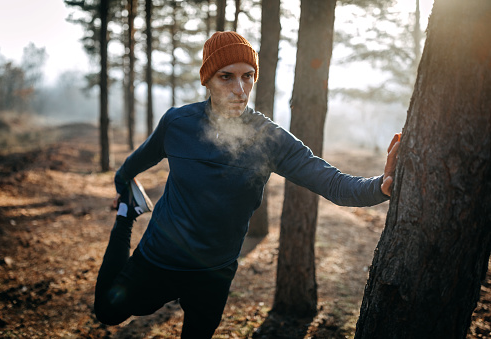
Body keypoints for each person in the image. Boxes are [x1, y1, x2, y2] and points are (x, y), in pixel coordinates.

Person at [94, 31, 401, 338]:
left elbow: (333, 184)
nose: (239, 90)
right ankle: (126, 215)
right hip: (160, 258)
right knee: (109, 312)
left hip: (214, 272)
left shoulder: (269, 139)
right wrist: (123, 188)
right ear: (208, 80)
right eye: (226, 77)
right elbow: (132, 166)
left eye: (248, 76)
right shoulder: (178, 124)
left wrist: (380, 186)